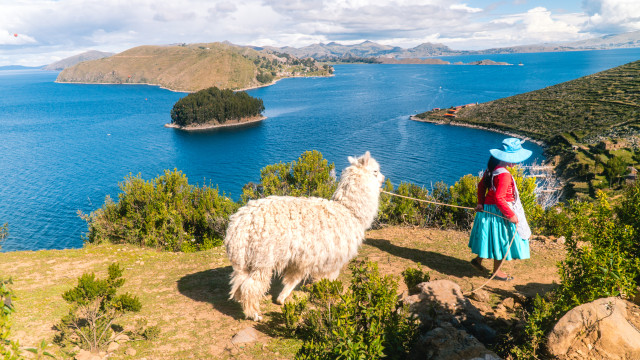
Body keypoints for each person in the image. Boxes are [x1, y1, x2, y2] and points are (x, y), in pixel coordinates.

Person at [468, 138, 532, 281]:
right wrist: (511, 215)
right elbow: (499, 197)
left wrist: (480, 203)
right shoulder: (504, 175)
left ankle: (478, 261)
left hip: (489, 211)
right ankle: (497, 272)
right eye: (515, 159)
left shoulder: (492, 169)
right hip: (499, 212)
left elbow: (481, 186)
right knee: (502, 241)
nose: (517, 162)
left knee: (490, 239)